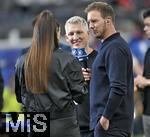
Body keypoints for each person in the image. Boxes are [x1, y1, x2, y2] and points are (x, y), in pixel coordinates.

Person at [15, 10, 87, 137]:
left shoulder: (22, 61)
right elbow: (80, 96)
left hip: (36, 123)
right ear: (56, 33)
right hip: (64, 125)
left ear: (36, 33)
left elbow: (20, 97)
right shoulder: (68, 59)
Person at [84, 2, 134, 137]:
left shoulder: (115, 47)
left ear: (108, 20)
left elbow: (118, 87)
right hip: (109, 126)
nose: (90, 26)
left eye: (94, 21)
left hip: (111, 127)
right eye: (89, 22)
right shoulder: (108, 46)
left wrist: (104, 119)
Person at [65, 16, 97, 137]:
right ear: (67, 38)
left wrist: (96, 78)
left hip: (97, 127)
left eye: (79, 32)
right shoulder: (62, 63)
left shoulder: (101, 59)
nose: (75, 37)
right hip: (70, 128)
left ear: (88, 33)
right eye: (71, 33)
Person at [134, 9, 150, 137]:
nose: (145, 29)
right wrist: (139, 82)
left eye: (148, 25)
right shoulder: (148, 50)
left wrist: (146, 81)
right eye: (144, 25)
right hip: (147, 110)